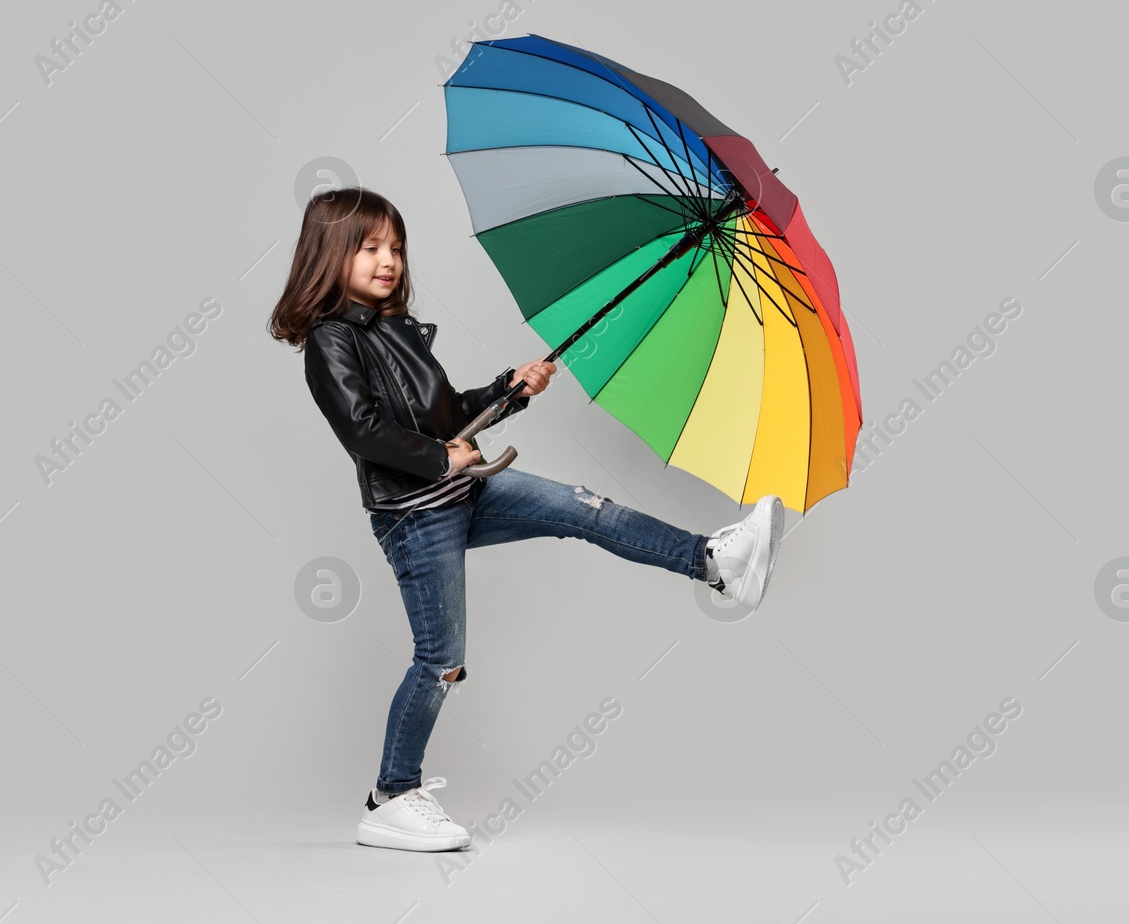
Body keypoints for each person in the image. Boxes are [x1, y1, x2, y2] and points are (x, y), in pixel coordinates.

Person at [268, 187, 785, 853]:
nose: (388, 259)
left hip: (465, 490)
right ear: (327, 253)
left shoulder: (396, 329)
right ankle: (391, 795)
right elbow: (364, 431)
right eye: (369, 247)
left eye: (394, 246)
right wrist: (437, 456)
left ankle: (715, 562)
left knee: (582, 507)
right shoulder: (329, 341)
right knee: (441, 660)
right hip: (416, 517)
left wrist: (508, 389)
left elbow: (450, 412)